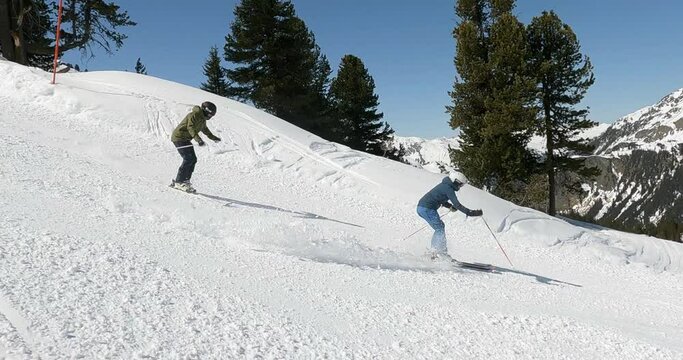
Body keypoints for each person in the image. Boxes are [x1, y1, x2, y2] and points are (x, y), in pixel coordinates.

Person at [417, 171, 483, 260]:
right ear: (456, 181)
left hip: (423, 208)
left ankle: (439, 252)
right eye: (461, 184)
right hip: (426, 208)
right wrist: (470, 212)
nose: (460, 187)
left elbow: (439, 198)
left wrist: (449, 206)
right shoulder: (448, 188)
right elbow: (457, 204)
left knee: (440, 227)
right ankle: (435, 253)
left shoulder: (445, 186)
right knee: (439, 228)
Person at [170, 101, 221, 192]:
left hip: (186, 139)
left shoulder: (202, 118)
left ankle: (185, 180)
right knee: (188, 159)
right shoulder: (194, 115)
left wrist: (213, 138)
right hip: (179, 137)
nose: (210, 117)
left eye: (212, 116)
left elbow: (205, 129)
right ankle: (179, 182)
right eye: (210, 115)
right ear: (205, 110)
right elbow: (191, 127)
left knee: (193, 159)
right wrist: (199, 140)